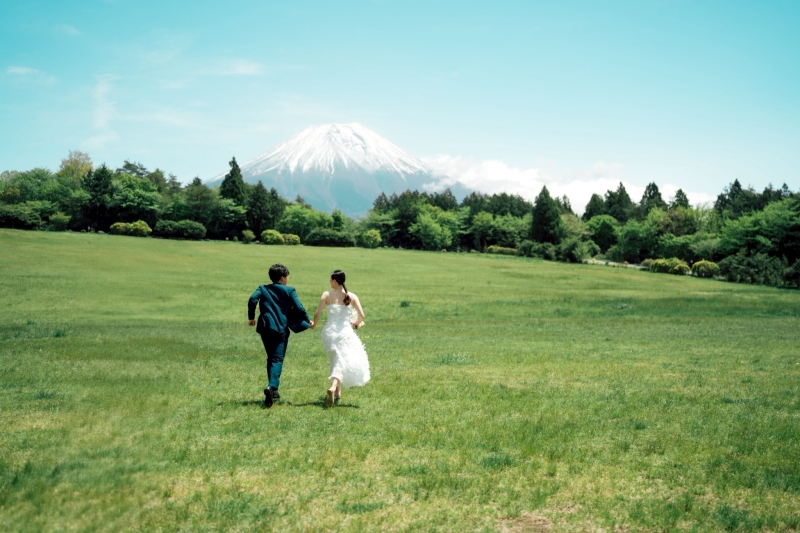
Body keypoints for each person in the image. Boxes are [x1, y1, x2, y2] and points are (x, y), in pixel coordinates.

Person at [248, 263, 310, 408]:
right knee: (277, 359)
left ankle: (273, 391)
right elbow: (299, 307)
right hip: (280, 328)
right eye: (287, 276)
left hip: (264, 327)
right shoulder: (289, 290)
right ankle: (272, 387)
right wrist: (308, 320)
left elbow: (252, 299)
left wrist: (251, 317)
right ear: (282, 277)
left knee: (271, 358)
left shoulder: (263, 288)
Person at [310, 270, 370, 407]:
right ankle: (334, 387)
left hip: (329, 333)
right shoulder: (352, 296)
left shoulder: (326, 295)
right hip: (345, 333)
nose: (329, 282)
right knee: (341, 359)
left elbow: (317, 313)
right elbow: (362, 315)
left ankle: (337, 391)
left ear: (335, 281)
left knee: (336, 358)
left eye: (330, 280)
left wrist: (314, 325)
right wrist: (355, 324)